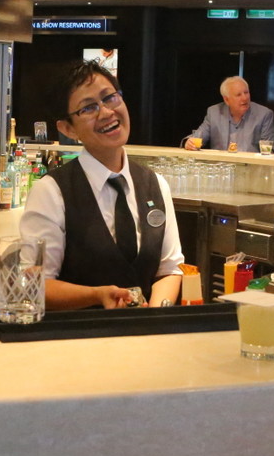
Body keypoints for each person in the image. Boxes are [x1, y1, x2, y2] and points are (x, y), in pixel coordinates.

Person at [21, 61, 183, 309]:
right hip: (79, 331)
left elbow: (169, 269)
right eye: (88, 108)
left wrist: (156, 312)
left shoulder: (155, 184)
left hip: (146, 331)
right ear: (68, 128)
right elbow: (34, 285)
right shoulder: (52, 192)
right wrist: (96, 296)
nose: (106, 112)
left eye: (110, 98)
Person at [183, 76, 274, 152]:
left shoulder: (264, 114)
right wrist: (189, 143)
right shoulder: (214, 112)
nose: (245, 98)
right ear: (226, 100)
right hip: (221, 166)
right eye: (238, 95)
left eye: (246, 92)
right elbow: (198, 137)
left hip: (251, 166)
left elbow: (269, 150)